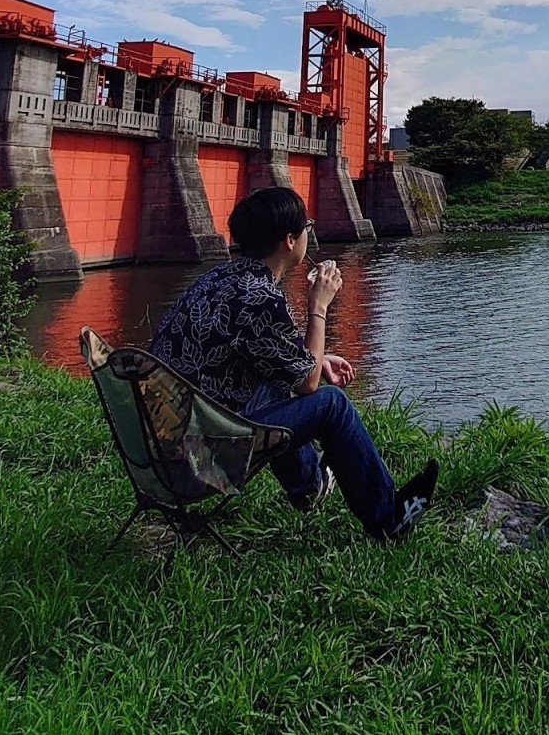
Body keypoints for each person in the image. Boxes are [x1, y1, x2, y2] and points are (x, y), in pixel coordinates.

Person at [148, 186, 438, 541]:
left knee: (281, 377)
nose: (308, 234)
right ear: (289, 241)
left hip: (158, 447)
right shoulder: (262, 298)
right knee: (333, 405)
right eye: (307, 228)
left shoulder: (217, 279)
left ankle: (307, 486)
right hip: (199, 461)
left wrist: (313, 359)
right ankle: (387, 518)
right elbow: (309, 384)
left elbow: (267, 357)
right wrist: (319, 304)